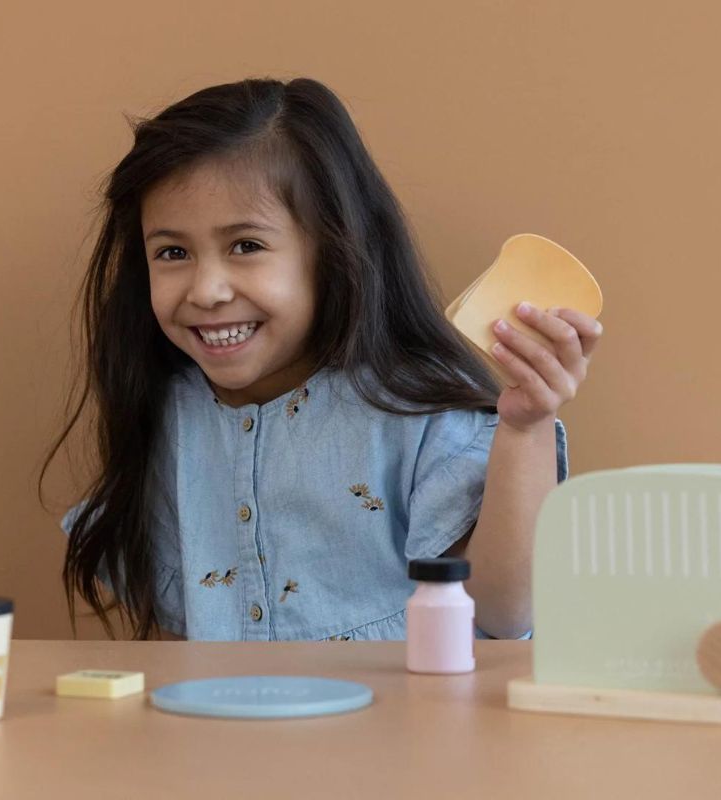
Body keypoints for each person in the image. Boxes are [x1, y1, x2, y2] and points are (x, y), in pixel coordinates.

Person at [40, 77, 602, 642]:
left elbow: (506, 614)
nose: (206, 290)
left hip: (406, 730)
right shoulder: (171, 414)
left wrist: (525, 426)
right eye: (173, 252)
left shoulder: (412, 409)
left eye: (246, 246)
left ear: (331, 253)